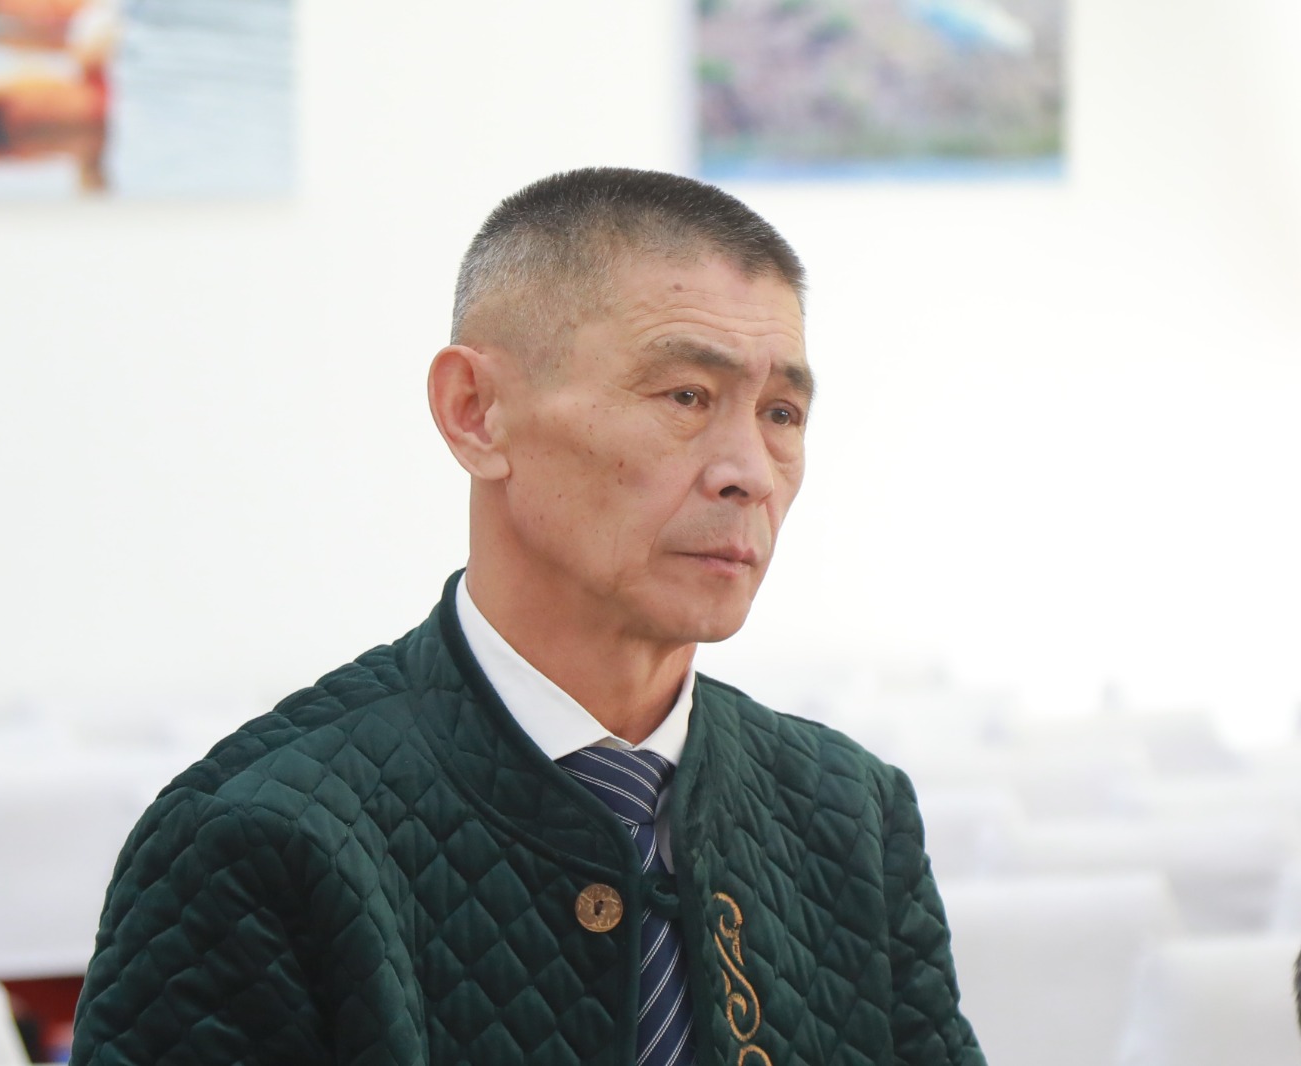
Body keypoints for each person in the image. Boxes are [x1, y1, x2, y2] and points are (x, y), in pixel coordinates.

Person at [70, 167, 984, 1066]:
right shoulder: (258, 838)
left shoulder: (850, 814)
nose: (748, 470)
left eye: (781, 413)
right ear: (475, 412)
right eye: (686, 397)